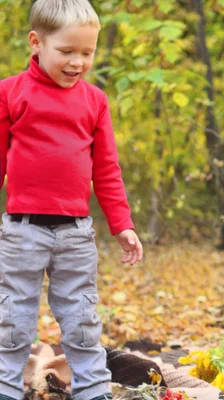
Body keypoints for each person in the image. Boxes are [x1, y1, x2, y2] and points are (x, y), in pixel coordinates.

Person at [0, 1, 143, 399]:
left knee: (81, 320)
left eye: (87, 52)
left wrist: (123, 225)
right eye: (67, 51)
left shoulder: (94, 100)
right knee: (12, 317)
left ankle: (94, 390)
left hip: (76, 235)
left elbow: (107, 170)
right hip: (21, 232)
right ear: (37, 43)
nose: (77, 62)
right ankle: (6, 388)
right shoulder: (10, 93)